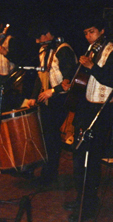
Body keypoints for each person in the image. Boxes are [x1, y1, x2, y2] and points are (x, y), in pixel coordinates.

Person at [63, 17, 113, 222]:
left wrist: (91, 67)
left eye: (92, 32)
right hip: (88, 107)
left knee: (90, 159)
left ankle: (88, 205)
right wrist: (69, 78)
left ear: (102, 31)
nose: (89, 36)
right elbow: (82, 77)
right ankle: (82, 198)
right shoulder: (92, 50)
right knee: (79, 155)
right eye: (86, 33)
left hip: (103, 110)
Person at [24, 22, 77, 186]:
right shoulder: (43, 50)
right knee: (44, 137)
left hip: (61, 99)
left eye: (39, 37)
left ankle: (49, 176)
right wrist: (34, 96)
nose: (37, 41)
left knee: (52, 139)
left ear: (48, 34)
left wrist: (52, 92)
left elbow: (70, 80)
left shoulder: (63, 50)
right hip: (48, 99)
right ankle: (40, 171)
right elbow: (41, 76)